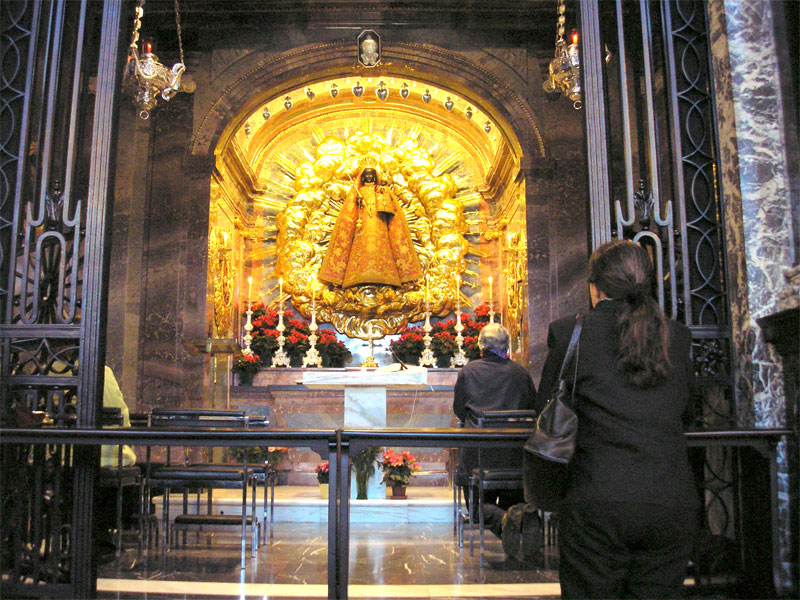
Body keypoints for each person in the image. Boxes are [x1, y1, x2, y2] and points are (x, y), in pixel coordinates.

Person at [536, 240, 698, 598]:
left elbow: (543, 409)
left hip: (597, 498)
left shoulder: (570, 333)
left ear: (595, 286)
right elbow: (689, 409)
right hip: (671, 499)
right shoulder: (678, 336)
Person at [453, 322, 537, 538]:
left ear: (480, 345)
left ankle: (505, 522)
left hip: (478, 454)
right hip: (514, 454)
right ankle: (514, 525)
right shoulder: (520, 373)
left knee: (476, 509)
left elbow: (459, 410)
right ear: (506, 345)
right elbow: (532, 408)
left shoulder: (469, 371)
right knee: (515, 503)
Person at [318, 163, 422, 288]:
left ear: (375, 176)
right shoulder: (360, 191)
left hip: (380, 223)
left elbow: (389, 206)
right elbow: (350, 212)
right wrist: (358, 201)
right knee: (361, 246)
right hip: (362, 226)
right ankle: (358, 274)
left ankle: (385, 273)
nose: (369, 177)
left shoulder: (380, 190)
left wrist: (384, 191)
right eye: (367, 175)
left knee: (381, 245)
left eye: (371, 175)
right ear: (362, 178)